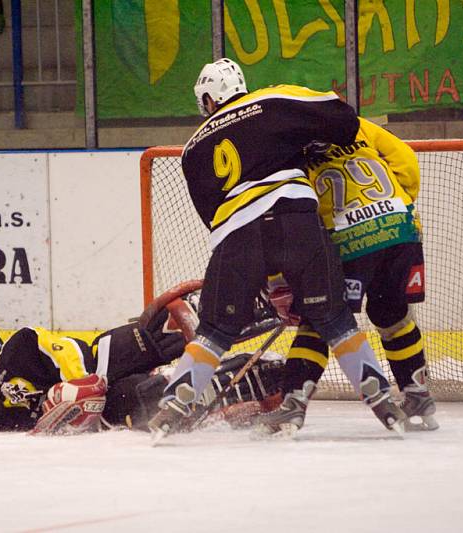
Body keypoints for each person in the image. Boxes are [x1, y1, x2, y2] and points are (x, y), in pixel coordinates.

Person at [148, 57, 406, 442]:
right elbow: (342, 117)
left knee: (216, 330)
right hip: (295, 218)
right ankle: (383, 402)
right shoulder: (273, 100)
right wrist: (308, 142)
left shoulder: (192, 149)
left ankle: (171, 409)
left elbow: (212, 217)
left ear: (208, 99)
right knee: (334, 317)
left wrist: (266, 277)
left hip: (235, 236)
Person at [0, 284, 286, 439]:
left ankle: (267, 304)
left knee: (171, 330)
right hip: (105, 404)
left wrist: (76, 384)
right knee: (146, 405)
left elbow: (63, 353)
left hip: (107, 356)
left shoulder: (20, 344)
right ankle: (256, 381)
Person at [260, 116, 437, 432]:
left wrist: (281, 279)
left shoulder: (288, 155)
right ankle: (417, 395)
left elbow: (288, 220)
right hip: (402, 229)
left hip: (350, 240)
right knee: (392, 315)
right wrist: (397, 204)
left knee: (320, 319)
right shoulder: (357, 126)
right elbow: (406, 162)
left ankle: (292, 405)